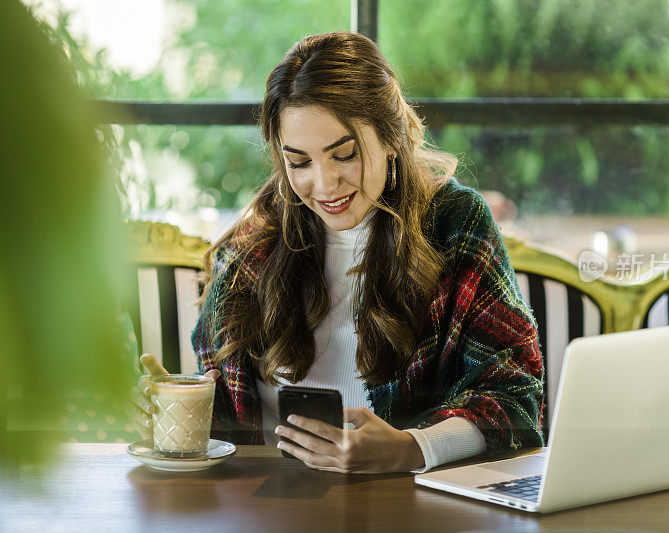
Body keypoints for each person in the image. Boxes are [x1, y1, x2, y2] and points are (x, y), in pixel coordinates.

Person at [133, 31, 544, 474]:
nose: (325, 186)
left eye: (344, 155)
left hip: (406, 508)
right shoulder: (250, 248)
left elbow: (515, 393)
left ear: (391, 137)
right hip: (262, 511)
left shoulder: (453, 224)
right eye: (300, 163)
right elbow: (226, 416)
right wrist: (167, 411)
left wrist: (413, 447)